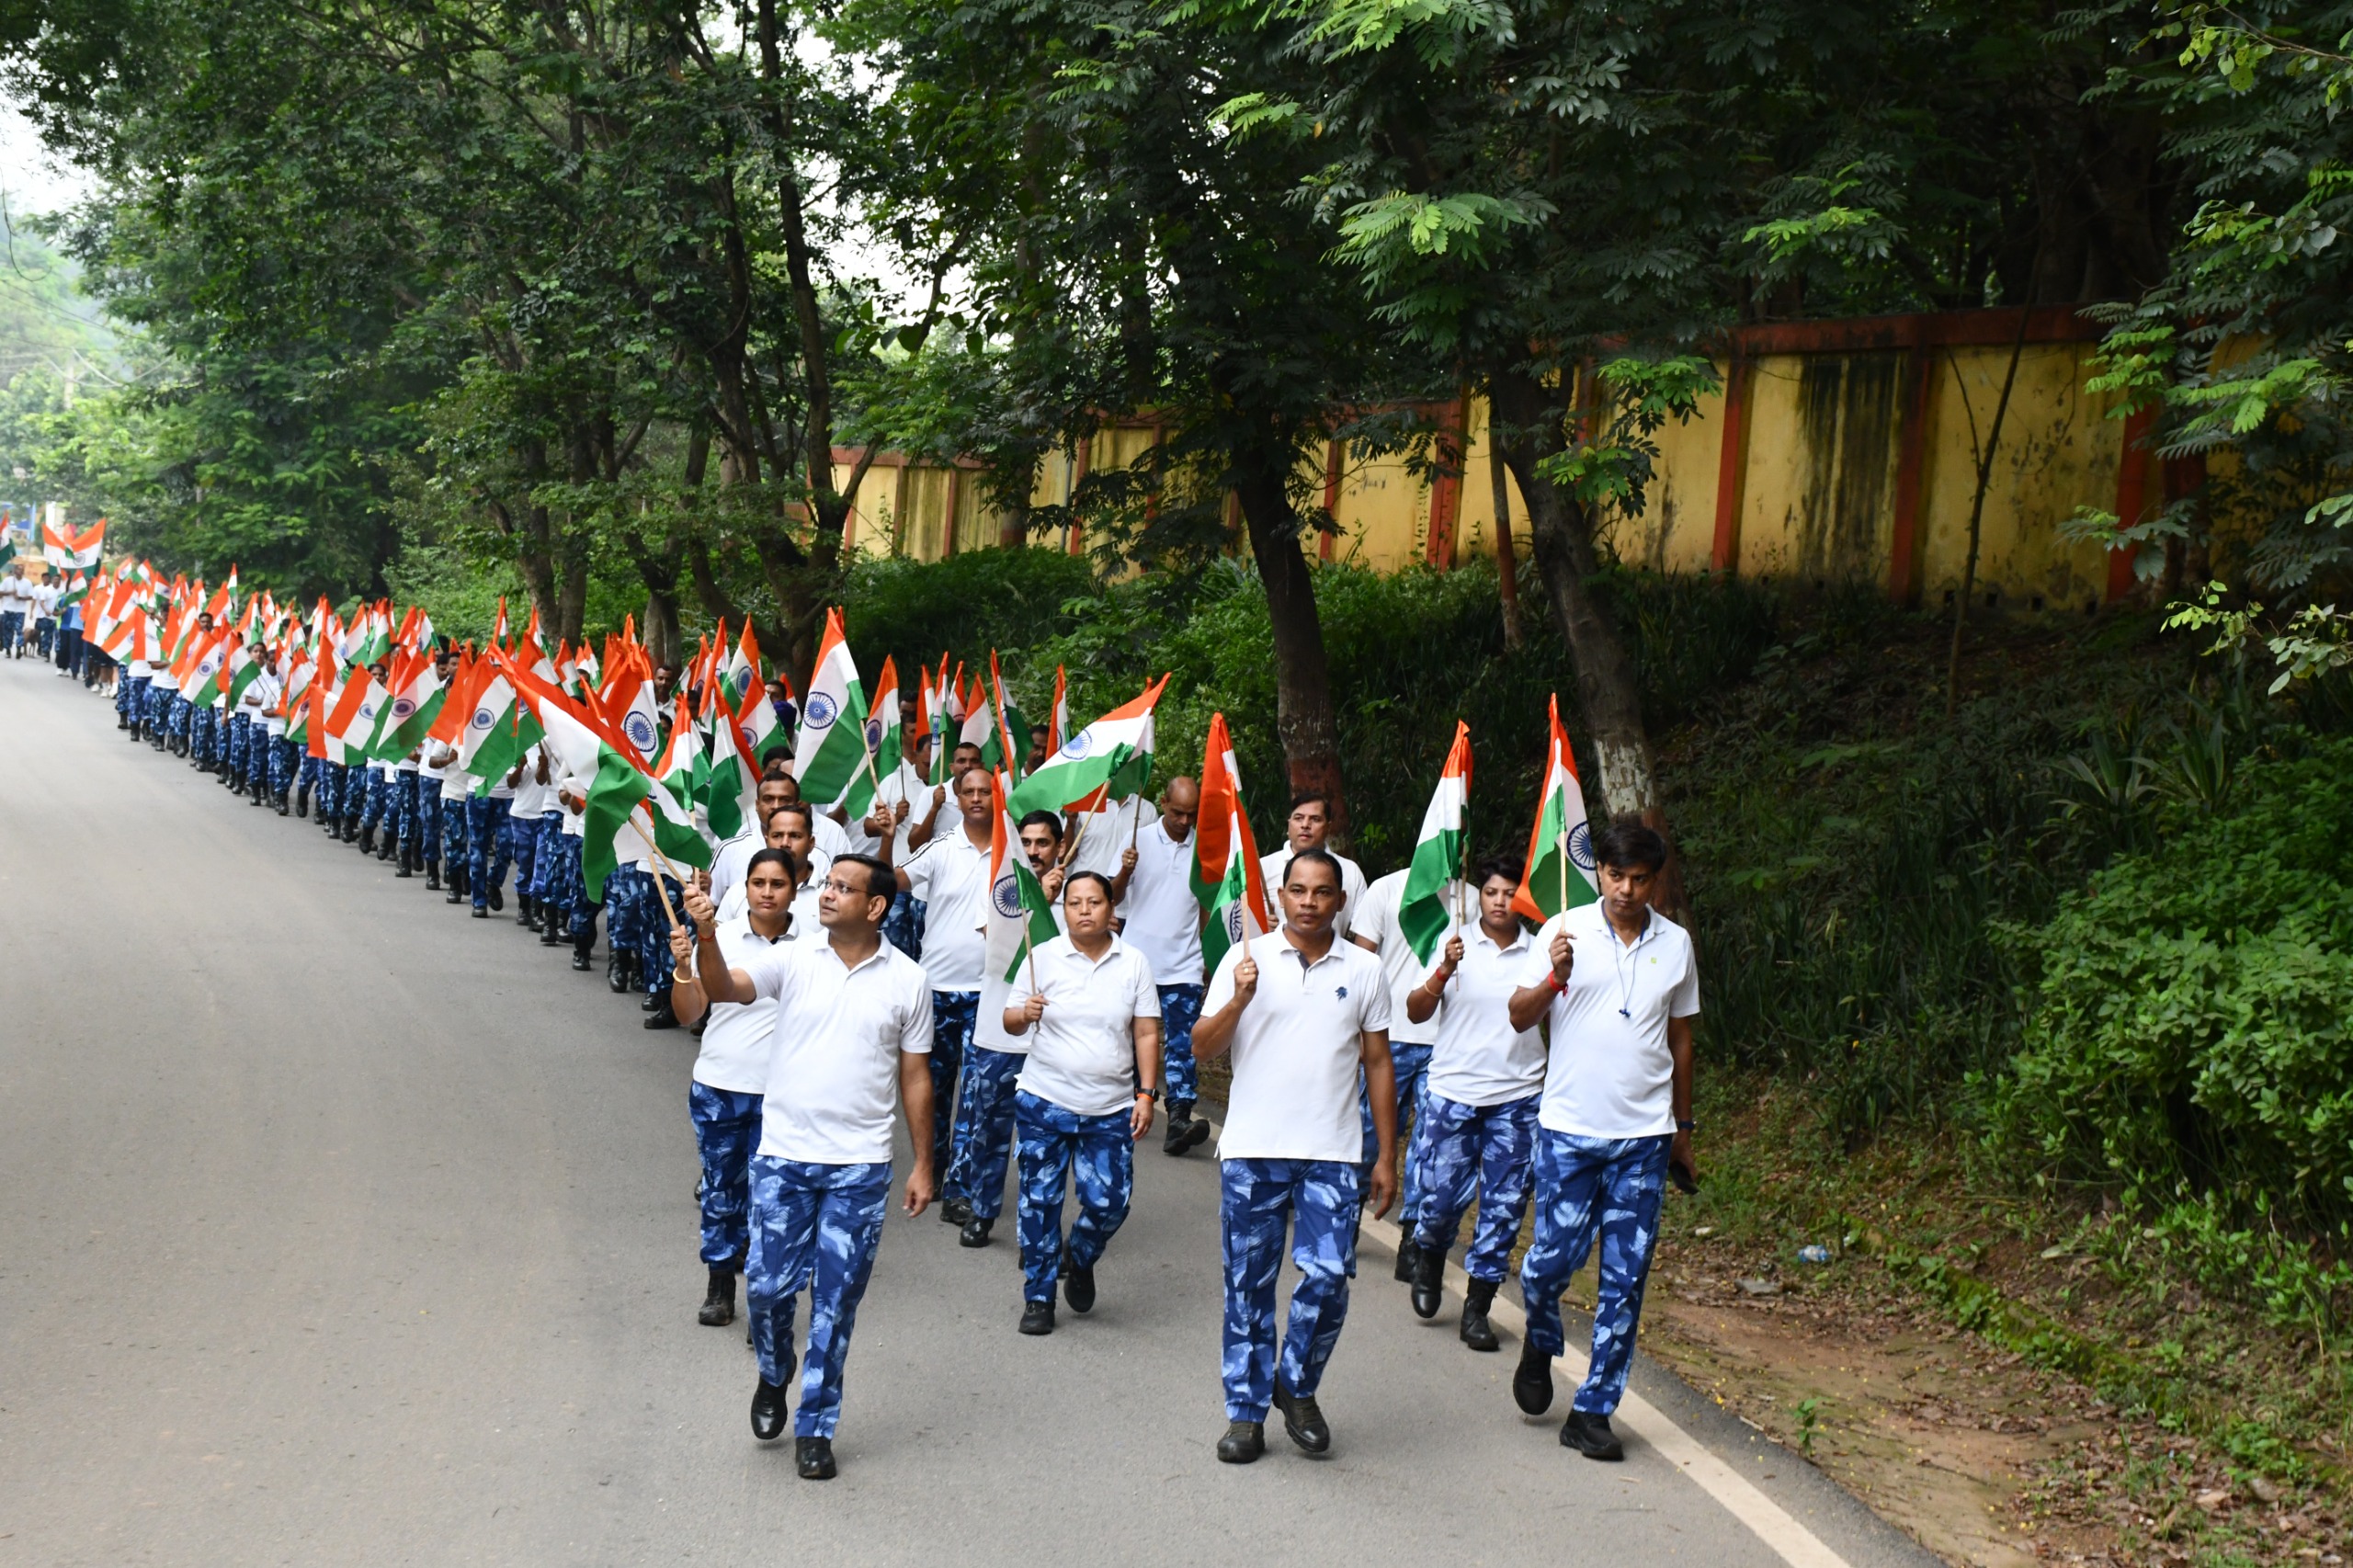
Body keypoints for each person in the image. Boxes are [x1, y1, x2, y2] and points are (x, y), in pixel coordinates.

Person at [684, 855, 937, 1483]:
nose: (824, 894)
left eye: (841, 888)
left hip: (859, 1167)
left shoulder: (908, 980)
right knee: (768, 1289)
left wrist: (925, 1163)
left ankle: (816, 1425)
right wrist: (708, 936)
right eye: (826, 884)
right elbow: (721, 989)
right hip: (784, 1159)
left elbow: (915, 1076)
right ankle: (775, 1371)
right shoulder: (793, 959)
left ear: (875, 907)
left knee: (834, 1304)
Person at [1192, 849, 1395, 1464]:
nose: (1309, 902)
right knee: (1248, 1287)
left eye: (1323, 892)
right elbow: (1202, 1048)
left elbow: (1379, 1062)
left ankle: (1297, 1385)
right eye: (1299, 890)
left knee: (1331, 1277)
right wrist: (1239, 1000)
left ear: (1340, 900)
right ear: (1280, 895)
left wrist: (1386, 1154)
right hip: (1254, 1151)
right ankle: (1246, 1415)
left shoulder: (1363, 969)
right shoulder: (1244, 959)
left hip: (1332, 1154)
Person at [1505, 824, 1699, 1462]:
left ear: (1656, 880)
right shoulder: (1563, 932)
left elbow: (1682, 1040)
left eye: (1640, 879)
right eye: (1616, 876)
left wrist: (1683, 1130)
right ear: (1601, 874)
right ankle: (1541, 1334)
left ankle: (1592, 1411)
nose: (1626, 889)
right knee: (1547, 1264)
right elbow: (1519, 1015)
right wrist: (1555, 977)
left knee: (1626, 1278)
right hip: (1569, 1129)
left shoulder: (1675, 945)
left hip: (1643, 1137)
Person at [999, 870, 1159, 1334]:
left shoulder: (1134, 962)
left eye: (1094, 902)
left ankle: (1082, 1254)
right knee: (1039, 1202)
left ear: (1111, 908)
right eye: (1074, 903)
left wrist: (1146, 1094)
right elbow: (1009, 1020)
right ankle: (1039, 1297)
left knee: (1110, 1202)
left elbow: (1146, 1030)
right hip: (1045, 1101)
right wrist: (1023, 1014)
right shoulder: (1040, 956)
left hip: (1109, 1106)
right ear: (1062, 909)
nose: (1084, 910)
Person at [1401, 856, 1543, 1353]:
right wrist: (1444, 969)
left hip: (1518, 1096)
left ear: (1521, 899)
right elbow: (1416, 1012)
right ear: (1478, 895)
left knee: (1504, 1209)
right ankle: (1430, 1260)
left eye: (1509, 894)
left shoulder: (1542, 949)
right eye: (1491, 892)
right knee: (1440, 1200)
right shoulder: (1452, 938)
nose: (1500, 902)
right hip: (1453, 1092)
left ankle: (1478, 1307)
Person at [667, 846, 800, 1329]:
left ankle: (765, 1304)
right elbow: (689, 1013)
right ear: (744, 888)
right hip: (720, 1086)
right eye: (758, 883)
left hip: (782, 1096)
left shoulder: (812, 947)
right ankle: (720, 1285)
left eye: (777, 884)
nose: (767, 893)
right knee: (722, 1193)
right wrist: (685, 966)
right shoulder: (716, 938)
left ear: (795, 889)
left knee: (773, 1202)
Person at [942, 809, 1066, 1248]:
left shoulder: (1079, 897)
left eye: (1043, 843)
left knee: (1042, 1143)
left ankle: (1036, 1233)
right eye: (1027, 843)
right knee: (988, 1130)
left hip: (1053, 1042)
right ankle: (982, 1210)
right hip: (999, 1033)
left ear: (1059, 848)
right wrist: (1040, 901)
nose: (1034, 851)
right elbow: (996, 941)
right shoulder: (1000, 889)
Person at [888, 767, 995, 1217]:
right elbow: (894, 879)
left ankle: (961, 1189)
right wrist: (886, 833)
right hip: (936, 991)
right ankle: (931, 1167)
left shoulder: (1014, 852)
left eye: (984, 791)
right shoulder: (941, 846)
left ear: (997, 796)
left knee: (977, 1092)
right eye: (967, 791)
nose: (975, 798)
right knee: (933, 1089)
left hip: (988, 993)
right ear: (957, 797)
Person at [1347, 858, 1457, 1280]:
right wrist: (1355, 1027)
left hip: (1446, 1040)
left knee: (1431, 1143)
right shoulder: (1386, 889)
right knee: (1367, 1134)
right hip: (1386, 1034)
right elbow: (1358, 963)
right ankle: (1348, 1219)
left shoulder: (1469, 899)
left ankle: (1414, 1235)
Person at [1108, 776, 1211, 1154]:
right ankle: (1130, 1105)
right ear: (1163, 802)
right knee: (1131, 1040)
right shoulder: (1139, 839)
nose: (1185, 821)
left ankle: (1179, 1118)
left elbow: (1205, 905)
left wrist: (1208, 958)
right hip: (1137, 961)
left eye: (1191, 814)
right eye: (1177, 812)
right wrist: (1125, 871)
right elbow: (1113, 897)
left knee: (1184, 1043)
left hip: (1184, 964)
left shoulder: (1204, 848)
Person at [1257, 793, 1368, 938]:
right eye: (1298, 818)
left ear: (1328, 827)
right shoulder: (1261, 869)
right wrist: (1258, 926)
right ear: (1288, 823)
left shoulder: (1350, 872)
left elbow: (1365, 929)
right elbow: (1239, 924)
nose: (1305, 825)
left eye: (1315, 819)